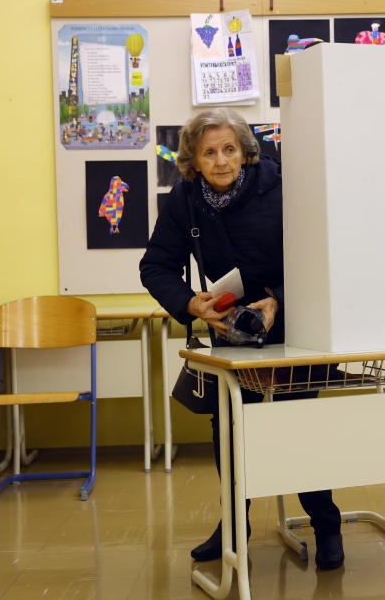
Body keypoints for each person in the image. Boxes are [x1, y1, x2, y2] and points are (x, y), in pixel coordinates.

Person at [139, 108, 344, 569]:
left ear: (246, 153)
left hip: (296, 320)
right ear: (193, 161)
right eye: (208, 153)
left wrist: (277, 301)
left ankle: (326, 524)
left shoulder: (283, 185)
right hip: (231, 326)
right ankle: (234, 524)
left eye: (229, 149)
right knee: (229, 428)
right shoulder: (186, 199)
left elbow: (324, 255)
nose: (221, 161)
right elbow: (154, 265)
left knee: (301, 427)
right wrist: (192, 303)